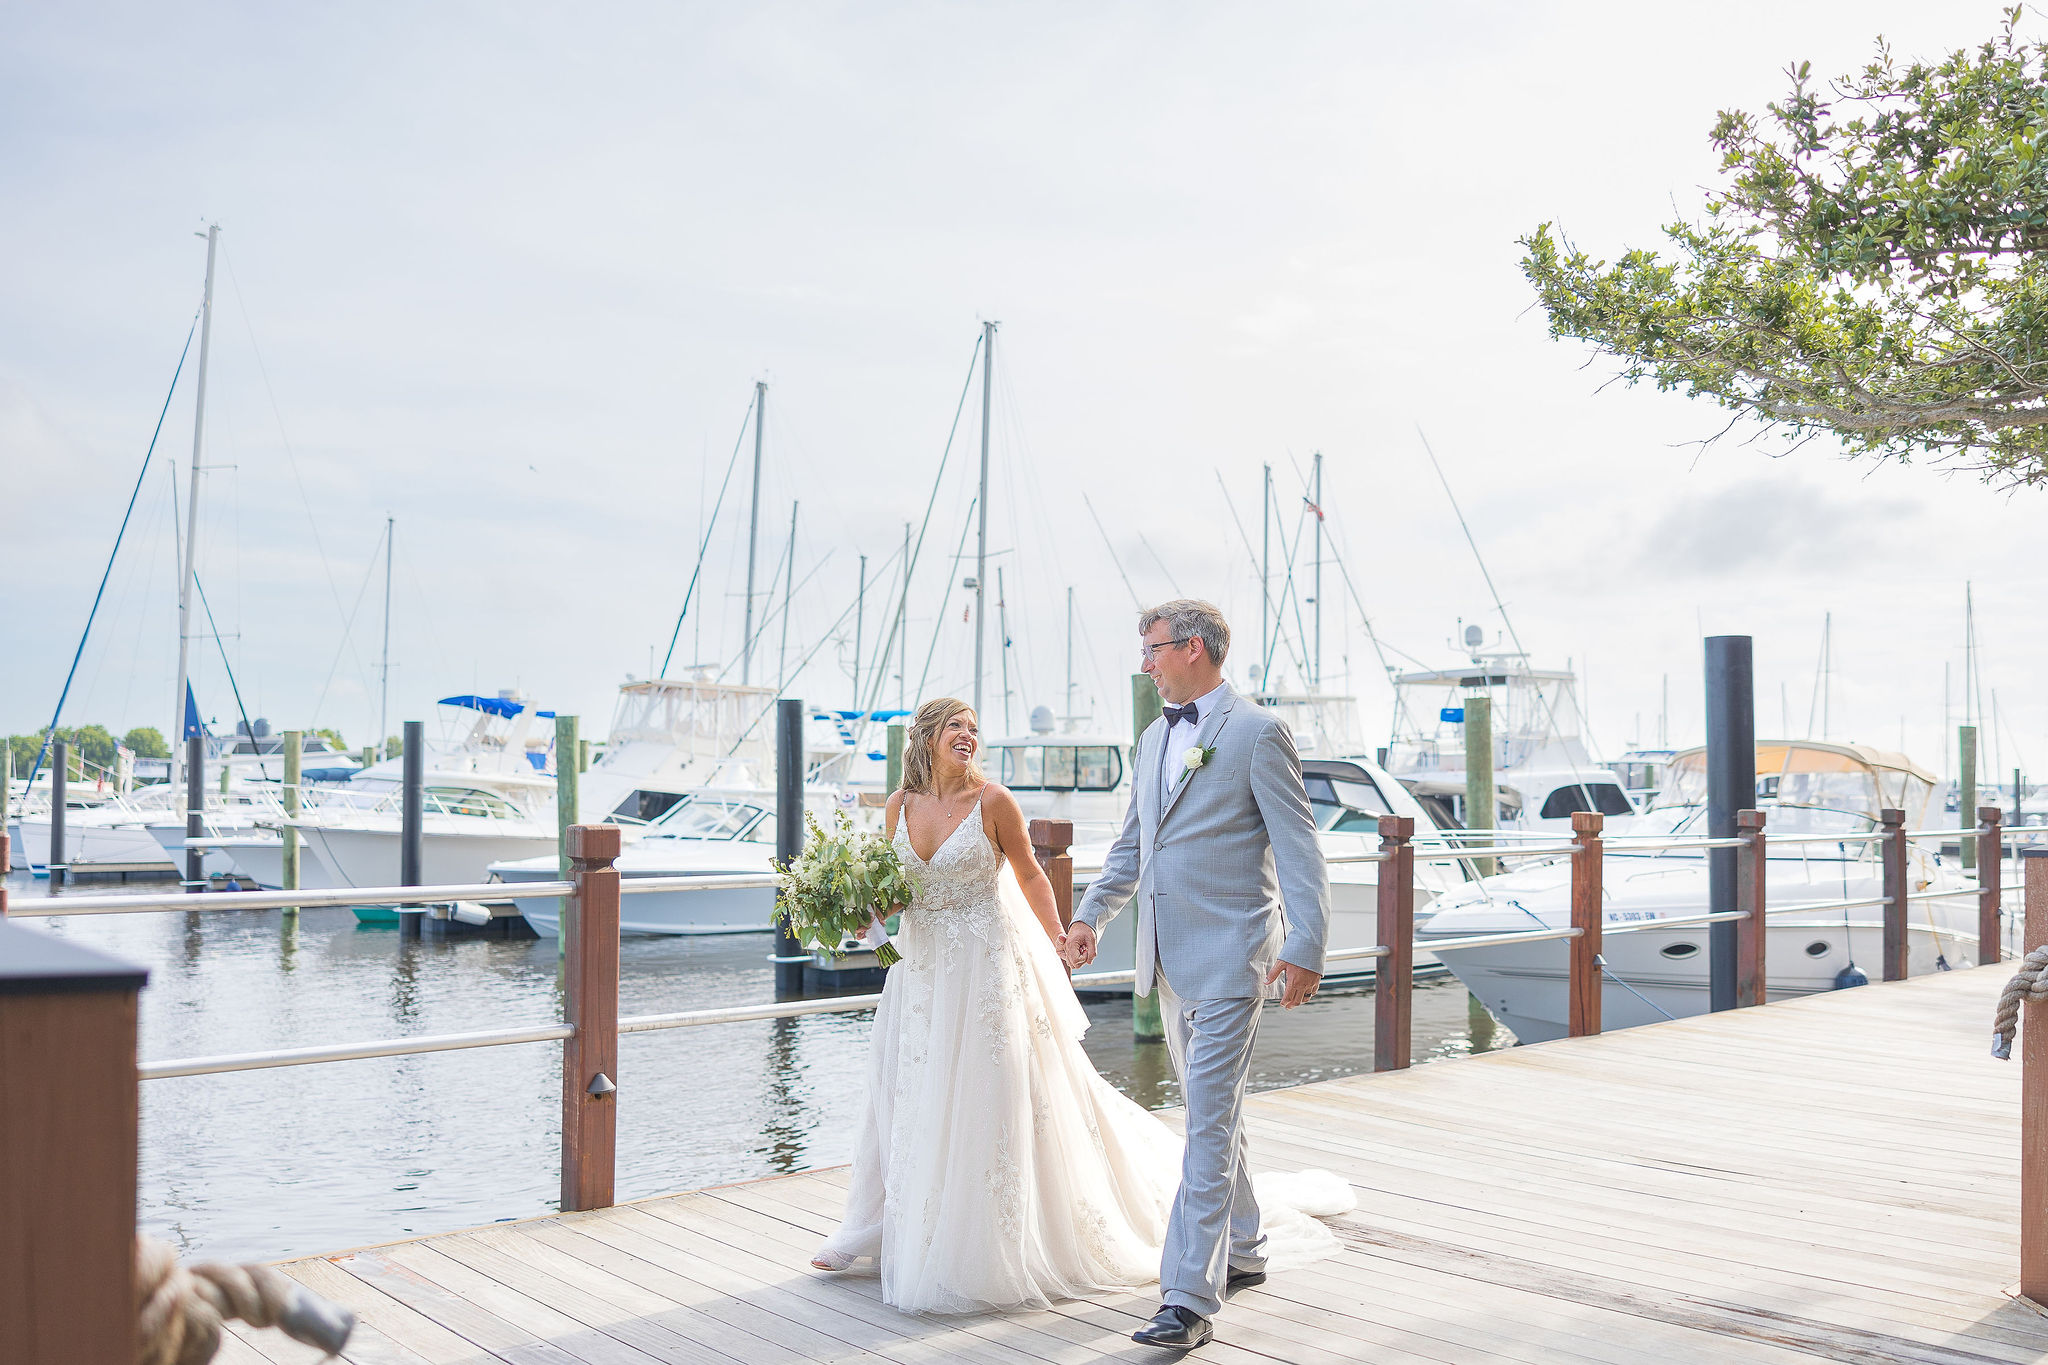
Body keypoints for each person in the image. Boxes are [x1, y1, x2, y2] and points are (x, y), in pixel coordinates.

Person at [809, 691, 1345, 1316]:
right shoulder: (898, 805)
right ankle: (891, 1228)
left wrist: (1063, 938)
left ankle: (988, 1242)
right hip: (920, 972)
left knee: (989, 1097)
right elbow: (898, 889)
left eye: (973, 727)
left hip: (984, 970)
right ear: (927, 735)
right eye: (955, 725)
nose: (967, 734)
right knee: (909, 1091)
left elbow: (1032, 875)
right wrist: (858, 910)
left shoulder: (993, 801)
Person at [1061, 599, 1330, 1350]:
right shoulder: (1153, 738)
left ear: (1194, 648)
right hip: (1164, 961)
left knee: (1204, 1124)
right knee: (1217, 1112)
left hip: (1233, 959)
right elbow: (1133, 844)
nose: (1143, 664)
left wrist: (1305, 944)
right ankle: (1243, 1248)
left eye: (1151, 649)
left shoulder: (1257, 732)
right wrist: (1090, 918)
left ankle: (1187, 1297)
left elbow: (1300, 849)